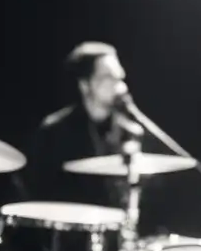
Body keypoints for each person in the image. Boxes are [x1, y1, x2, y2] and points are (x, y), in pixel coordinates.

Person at [17, 41, 156, 209]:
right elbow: (33, 192)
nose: (120, 86)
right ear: (85, 85)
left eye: (120, 77)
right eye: (108, 77)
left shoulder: (129, 132)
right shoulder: (54, 132)